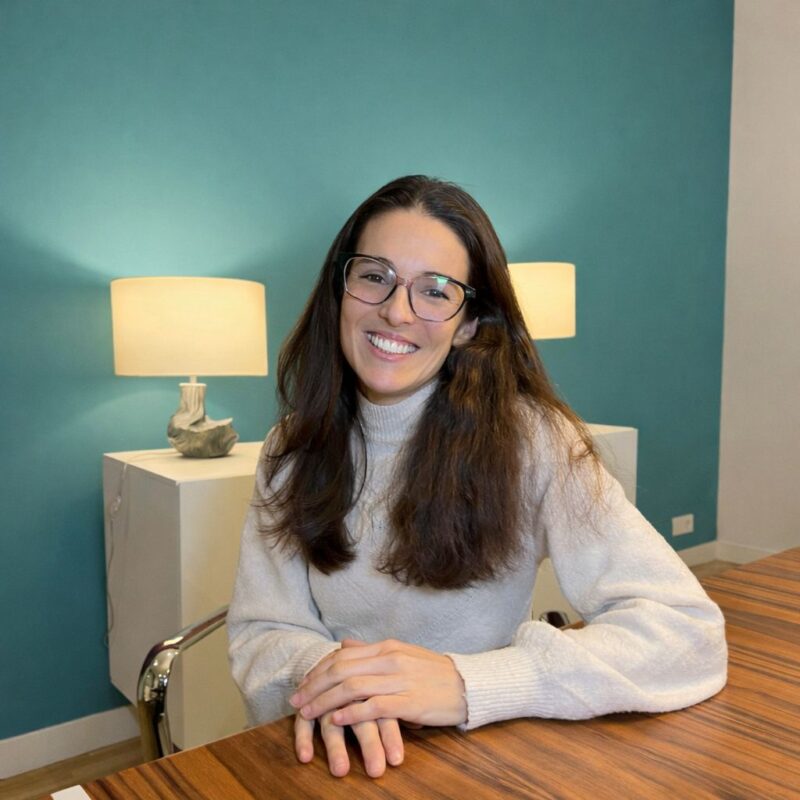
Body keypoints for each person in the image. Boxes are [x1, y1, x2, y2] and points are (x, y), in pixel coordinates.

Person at [227, 175, 728, 779]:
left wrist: (468, 682)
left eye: (435, 291)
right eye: (375, 276)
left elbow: (686, 631)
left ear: (468, 324)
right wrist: (333, 682)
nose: (396, 310)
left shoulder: (536, 440)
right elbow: (263, 630)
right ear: (341, 290)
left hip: (480, 759)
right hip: (338, 757)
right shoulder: (290, 448)